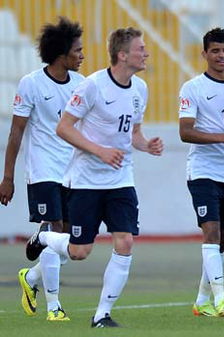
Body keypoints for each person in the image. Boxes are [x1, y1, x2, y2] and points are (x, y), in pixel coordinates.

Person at [25, 27, 163, 328]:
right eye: (141, 49)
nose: (146, 53)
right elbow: (64, 127)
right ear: (123, 54)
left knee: (124, 241)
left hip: (121, 180)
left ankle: (102, 314)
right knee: (79, 251)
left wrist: (147, 144)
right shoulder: (92, 86)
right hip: (86, 182)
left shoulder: (141, 89)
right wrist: (99, 151)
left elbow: (134, 134)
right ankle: (44, 236)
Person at [0, 17, 84, 321]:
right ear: (62, 55)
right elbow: (16, 133)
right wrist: (7, 177)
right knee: (55, 229)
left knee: (73, 242)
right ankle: (54, 307)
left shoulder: (81, 84)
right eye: (78, 50)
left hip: (73, 172)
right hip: (43, 170)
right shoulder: (31, 84)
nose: (82, 55)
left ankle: (32, 278)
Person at [178, 27, 224, 317]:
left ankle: (201, 300)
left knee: (221, 238)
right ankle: (221, 298)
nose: (221, 56)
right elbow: (185, 132)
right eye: (215, 51)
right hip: (203, 170)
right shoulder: (193, 87)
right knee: (210, 231)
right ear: (205, 54)